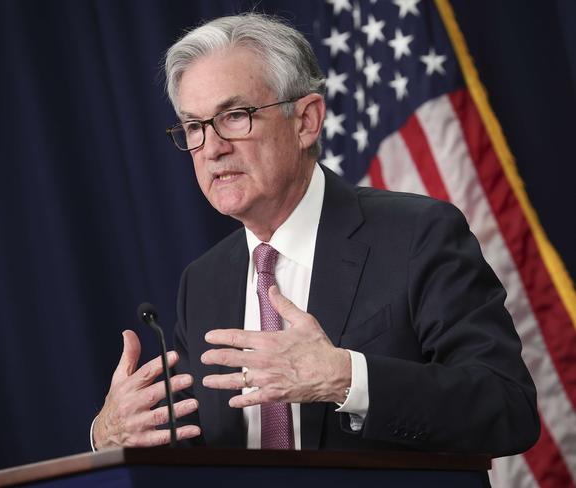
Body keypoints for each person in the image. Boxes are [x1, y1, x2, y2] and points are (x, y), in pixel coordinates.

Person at [91, 12, 539, 455]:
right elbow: (200, 449)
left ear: (306, 121)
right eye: (194, 127)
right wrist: (113, 436)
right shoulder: (203, 282)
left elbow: (508, 407)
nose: (211, 149)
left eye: (235, 116)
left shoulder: (417, 236)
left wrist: (346, 378)